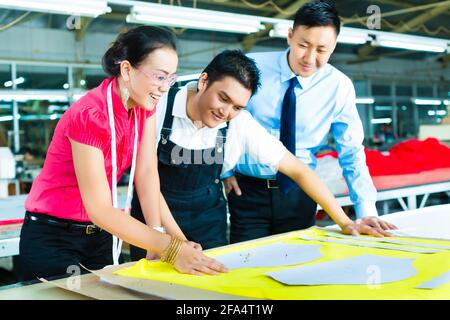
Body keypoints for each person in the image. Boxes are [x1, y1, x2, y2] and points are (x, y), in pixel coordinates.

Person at [130, 49, 395, 261]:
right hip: (154, 219)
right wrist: (173, 239)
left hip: (207, 221)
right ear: (203, 81)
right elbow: (147, 180)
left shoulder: (239, 123)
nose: (226, 112)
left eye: (237, 106)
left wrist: (346, 222)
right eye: (223, 98)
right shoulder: (159, 106)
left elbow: (299, 170)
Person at [20, 26, 227, 281]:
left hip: (101, 235)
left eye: (171, 78)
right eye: (159, 77)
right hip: (54, 237)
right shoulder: (90, 115)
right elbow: (99, 208)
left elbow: (147, 175)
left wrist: (175, 239)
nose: (165, 88)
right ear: (127, 70)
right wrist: (170, 247)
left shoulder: (144, 108)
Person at [224, 1, 392, 244]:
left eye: (322, 50)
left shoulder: (339, 87)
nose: (309, 58)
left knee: (297, 267)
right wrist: (225, 170)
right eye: (303, 45)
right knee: (244, 265)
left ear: (333, 47)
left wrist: (366, 210)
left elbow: (352, 152)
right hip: (247, 190)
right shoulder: (252, 67)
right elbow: (222, 117)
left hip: (300, 192)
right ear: (290, 36)